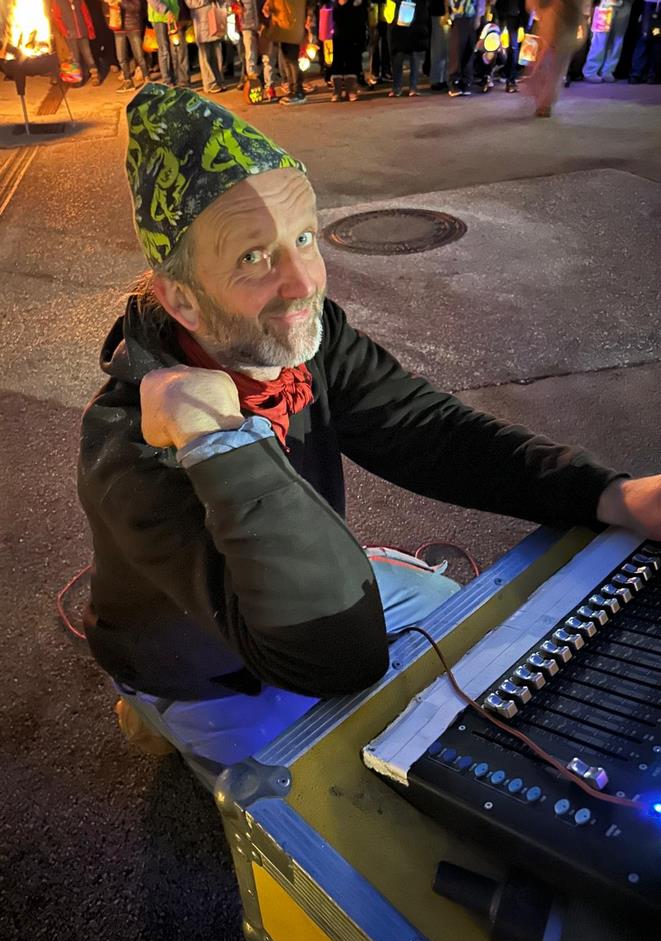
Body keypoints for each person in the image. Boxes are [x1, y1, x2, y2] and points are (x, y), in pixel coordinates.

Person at [78, 84, 661, 792]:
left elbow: (423, 429)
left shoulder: (301, 342)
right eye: (253, 257)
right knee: (337, 795)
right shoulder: (132, 453)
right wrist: (219, 442)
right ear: (181, 298)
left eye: (303, 238)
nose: (303, 283)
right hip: (206, 665)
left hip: (300, 581)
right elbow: (335, 656)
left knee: (479, 643)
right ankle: (154, 711)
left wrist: (608, 494)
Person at [528, 0, 583, 115]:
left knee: (555, 66)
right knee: (547, 65)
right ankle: (543, 100)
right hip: (551, 22)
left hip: (565, 23)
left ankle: (545, 103)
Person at [263, 0, 310, 102]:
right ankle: (292, 89)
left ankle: (298, 91)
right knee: (287, 61)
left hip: (292, 28)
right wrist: (268, 8)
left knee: (292, 61)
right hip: (283, 27)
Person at [104, 0, 151, 93]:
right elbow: (106, 11)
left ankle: (147, 78)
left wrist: (120, 2)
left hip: (133, 26)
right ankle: (128, 81)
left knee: (139, 55)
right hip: (118, 28)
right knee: (121, 57)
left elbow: (136, 7)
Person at [51, 0, 101, 85]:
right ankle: (77, 79)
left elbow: (86, 14)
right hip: (70, 35)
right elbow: (57, 18)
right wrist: (64, 31)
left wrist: (90, 30)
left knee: (88, 55)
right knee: (75, 57)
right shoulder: (58, 2)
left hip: (83, 32)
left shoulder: (79, 1)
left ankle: (94, 75)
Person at [582, 0, 633, 82]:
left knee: (617, 41)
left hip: (624, 6)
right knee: (599, 40)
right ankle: (590, 71)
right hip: (604, 5)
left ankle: (608, 71)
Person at [388, 0, 430, 95]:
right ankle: (399, 87)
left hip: (414, 18)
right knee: (399, 54)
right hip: (400, 18)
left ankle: (410, 87)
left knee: (413, 54)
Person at [147, 0, 191, 87]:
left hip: (174, 16)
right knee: (164, 50)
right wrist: (166, 11)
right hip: (159, 17)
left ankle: (183, 81)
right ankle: (168, 81)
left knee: (178, 48)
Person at [241, 0, 278, 101]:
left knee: (268, 55)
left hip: (265, 21)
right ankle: (254, 87)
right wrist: (237, 9)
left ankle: (270, 87)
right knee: (250, 56)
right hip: (247, 22)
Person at [330, 0, 367, 100]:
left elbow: (362, 17)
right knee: (337, 61)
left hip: (354, 33)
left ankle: (351, 89)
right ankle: (337, 90)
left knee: (352, 59)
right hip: (336, 34)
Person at [187, 0, 226, 93]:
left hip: (215, 19)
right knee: (205, 55)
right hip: (201, 22)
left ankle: (219, 80)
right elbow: (190, 3)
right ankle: (210, 83)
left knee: (217, 54)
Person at [447, 0, 484, 96]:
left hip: (471, 15)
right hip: (457, 16)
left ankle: (466, 81)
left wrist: (478, 16)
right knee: (457, 49)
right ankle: (455, 81)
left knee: (469, 49)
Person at [495, 0, 526, 91]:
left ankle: (507, 74)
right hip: (510, 13)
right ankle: (510, 79)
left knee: (514, 47)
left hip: (516, 13)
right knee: (513, 47)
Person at [629, 0, 661, 84]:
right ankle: (637, 74)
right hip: (648, 5)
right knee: (644, 40)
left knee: (656, 41)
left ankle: (651, 75)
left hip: (655, 6)